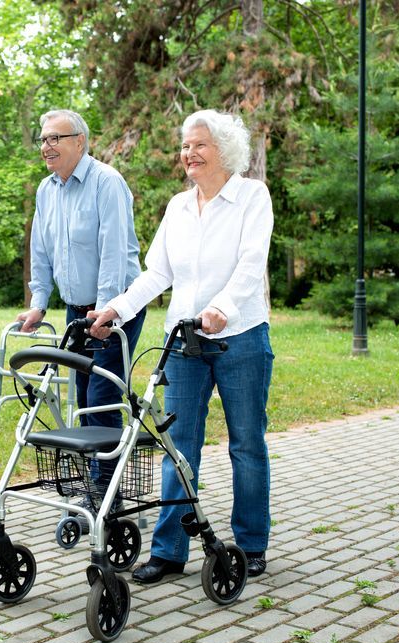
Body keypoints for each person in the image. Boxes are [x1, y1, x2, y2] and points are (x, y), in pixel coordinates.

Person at [88, 109, 274, 582]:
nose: (188, 153)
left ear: (224, 150)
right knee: (177, 446)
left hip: (241, 338)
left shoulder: (252, 197)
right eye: (185, 146)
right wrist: (117, 309)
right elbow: (157, 273)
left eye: (199, 145)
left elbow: (251, 266)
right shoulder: (177, 206)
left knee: (246, 444)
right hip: (184, 341)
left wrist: (222, 307)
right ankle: (170, 550)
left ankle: (251, 544)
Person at [17, 109, 146, 506]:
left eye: (54, 138)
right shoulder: (46, 190)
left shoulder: (107, 183)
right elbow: (41, 250)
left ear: (79, 142)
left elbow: (113, 252)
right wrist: (39, 303)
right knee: (84, 396)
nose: (46, 147)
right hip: (77, 309)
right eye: (42, 140)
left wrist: (106, 310)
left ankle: (108, 493)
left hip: (116, 306)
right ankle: (97, 484)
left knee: (104, 395)